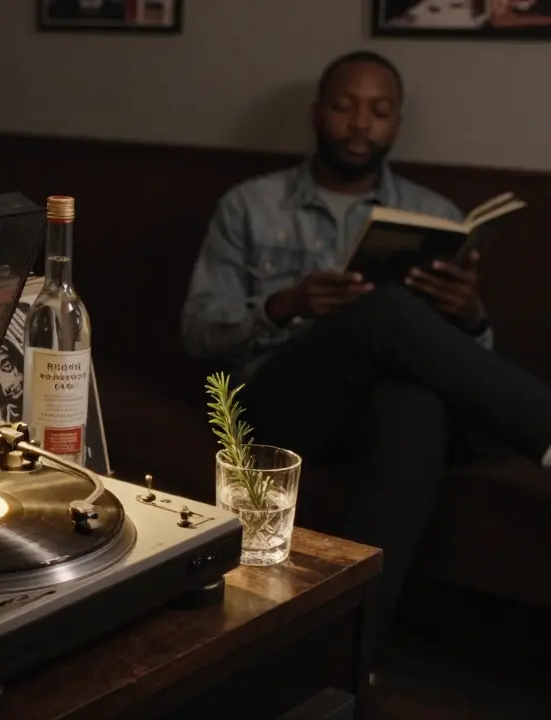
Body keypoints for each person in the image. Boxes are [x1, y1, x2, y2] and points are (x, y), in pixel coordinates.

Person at [180, 50, 551, 665]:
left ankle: (344, 663)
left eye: (379, 111)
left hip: (382, 413)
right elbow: (197, 333)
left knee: (414, 408)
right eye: (344, 106)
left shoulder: (435, 215)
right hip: (280, 408)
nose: (360, 123)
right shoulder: (250, 203)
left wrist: (468, 318)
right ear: (317, 113)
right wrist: (287, 304)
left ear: (396, 124)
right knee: (380, 312)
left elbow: (466, 367)